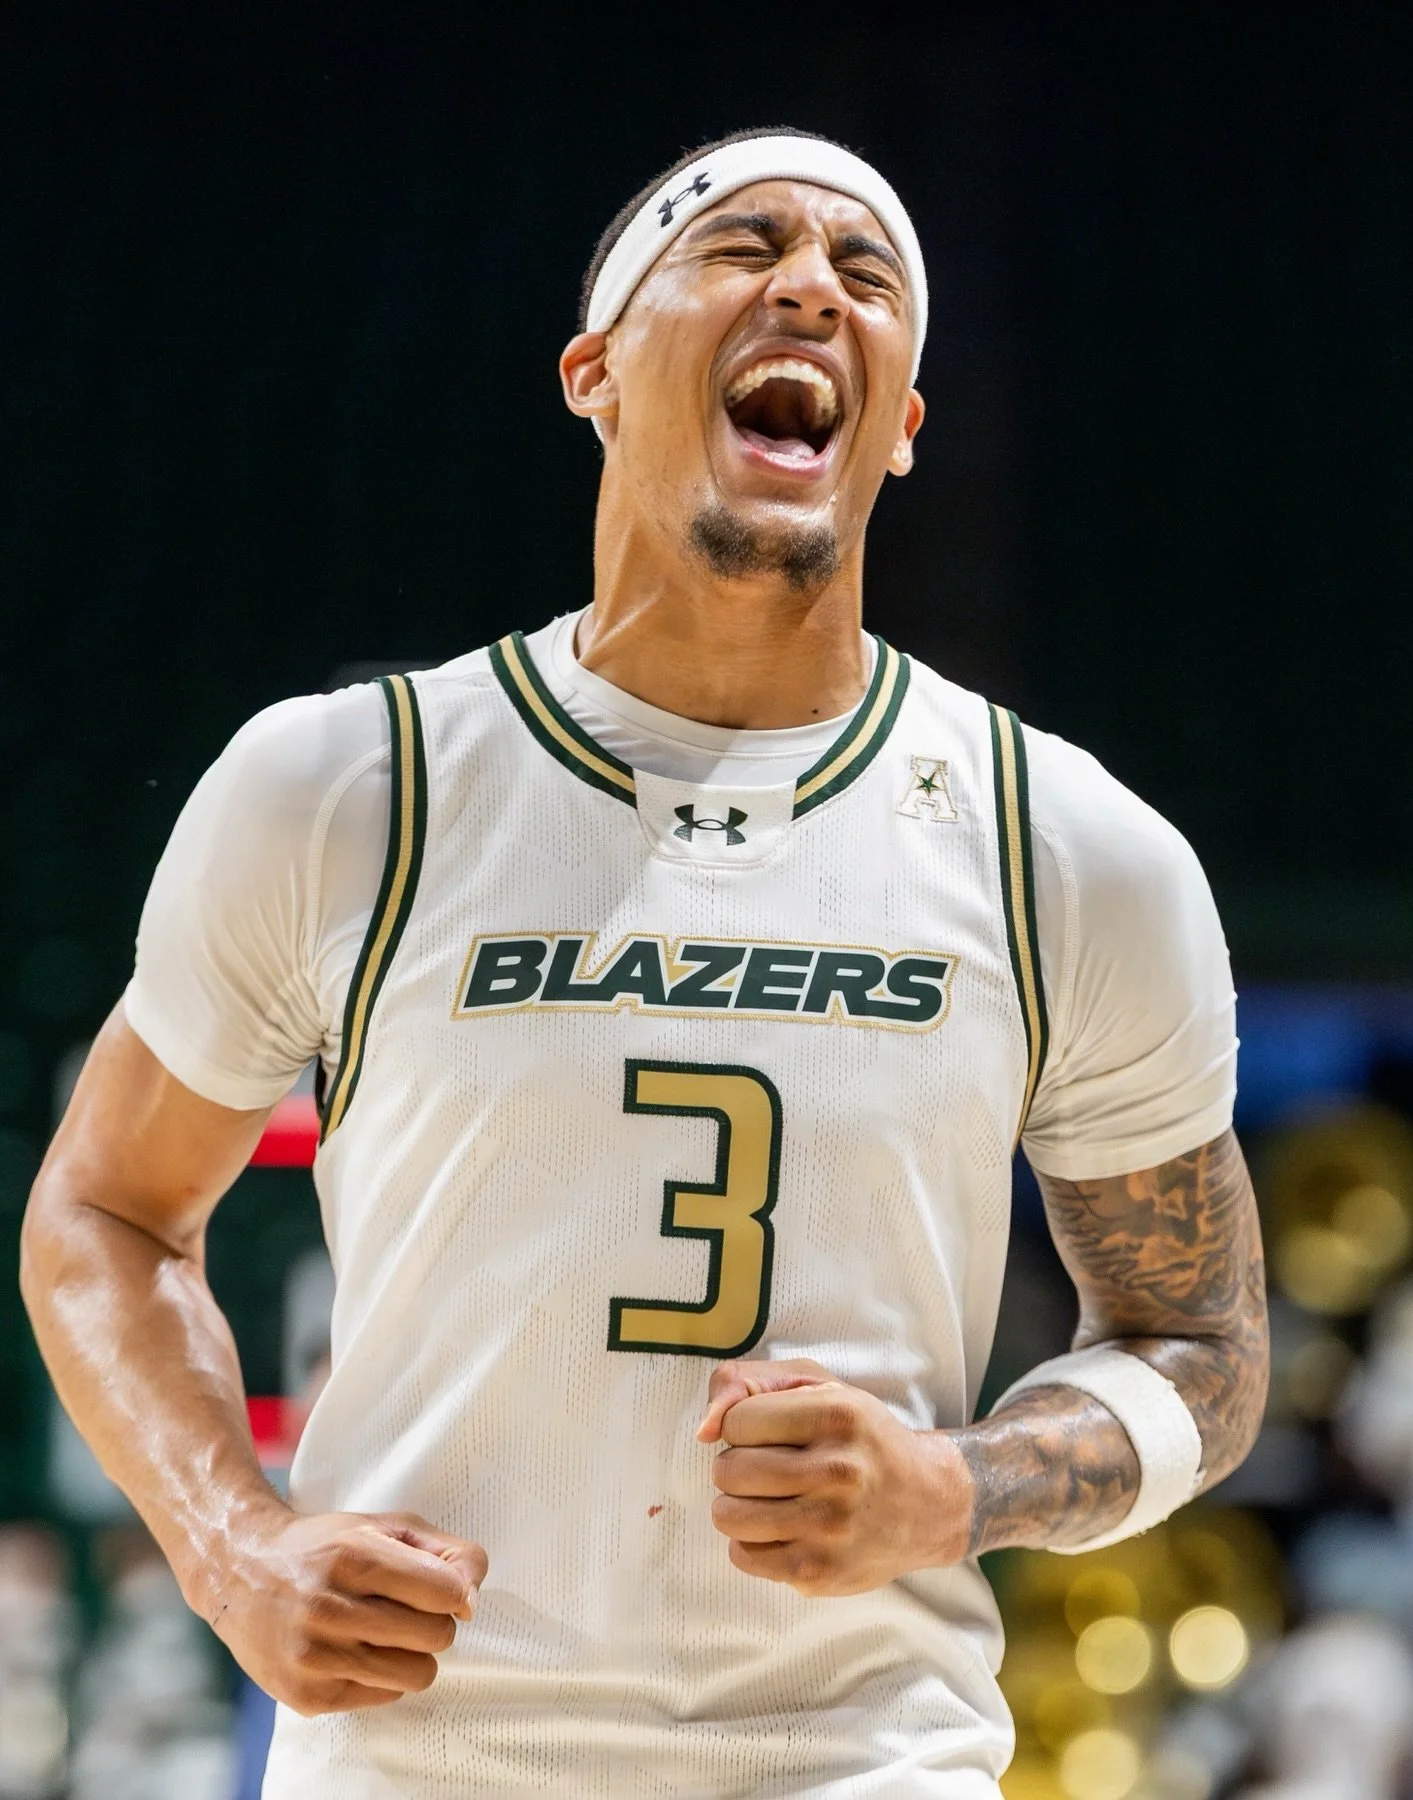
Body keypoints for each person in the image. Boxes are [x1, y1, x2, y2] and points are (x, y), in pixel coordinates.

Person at [21, 128, 1269, 1797]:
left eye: (866, 272)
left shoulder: (1067, 847)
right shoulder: (346, 786)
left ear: (899, 427)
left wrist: (950, 1487)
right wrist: (230, 1545)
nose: (812, 285)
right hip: (417, 1758)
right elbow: (101, 1216)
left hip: (859, 1757)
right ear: (595, 372)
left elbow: (1206, 1344)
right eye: (743, 245)